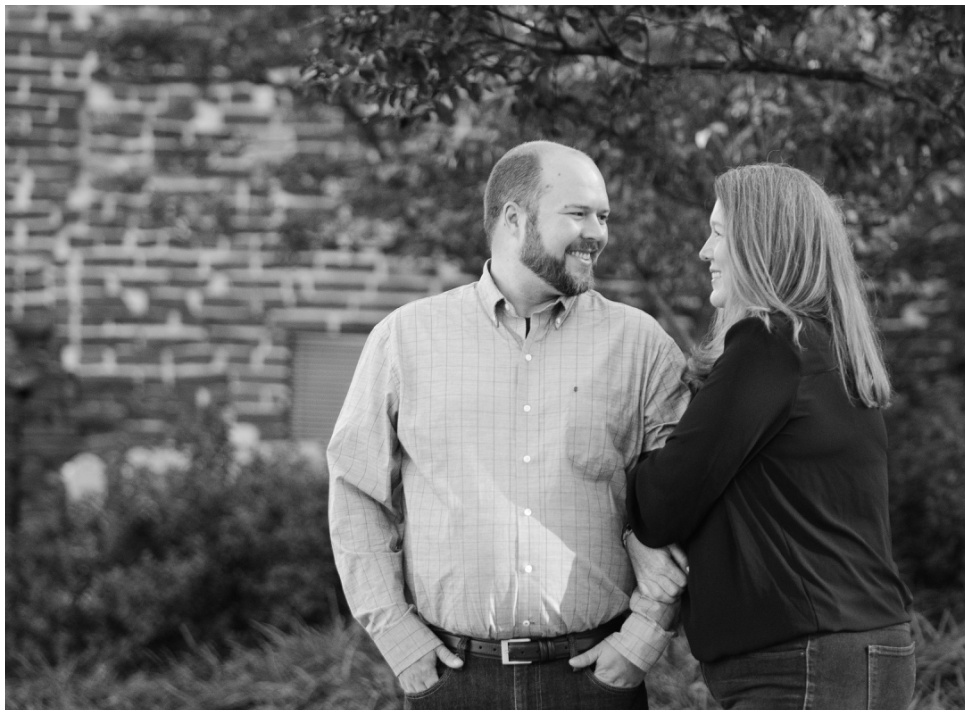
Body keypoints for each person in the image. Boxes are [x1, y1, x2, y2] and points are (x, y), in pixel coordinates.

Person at [327, 140, 691, 709]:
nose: (598, 232)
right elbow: (355, 493)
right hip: (454, 682)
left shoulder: (642, 346)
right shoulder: (406, 340)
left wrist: (645, 636)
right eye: (578, 213)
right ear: (514, 219)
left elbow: (686, 504)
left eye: (604, 216)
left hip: (594, 681)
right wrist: (398, 638)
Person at [627, 164, 916, 709]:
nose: (704, 251)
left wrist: (627, 457)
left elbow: (662, 502)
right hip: (843, 650)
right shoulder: (819, 348)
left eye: (718, 232)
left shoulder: (767, 347)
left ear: (762, 243)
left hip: (805, 662)